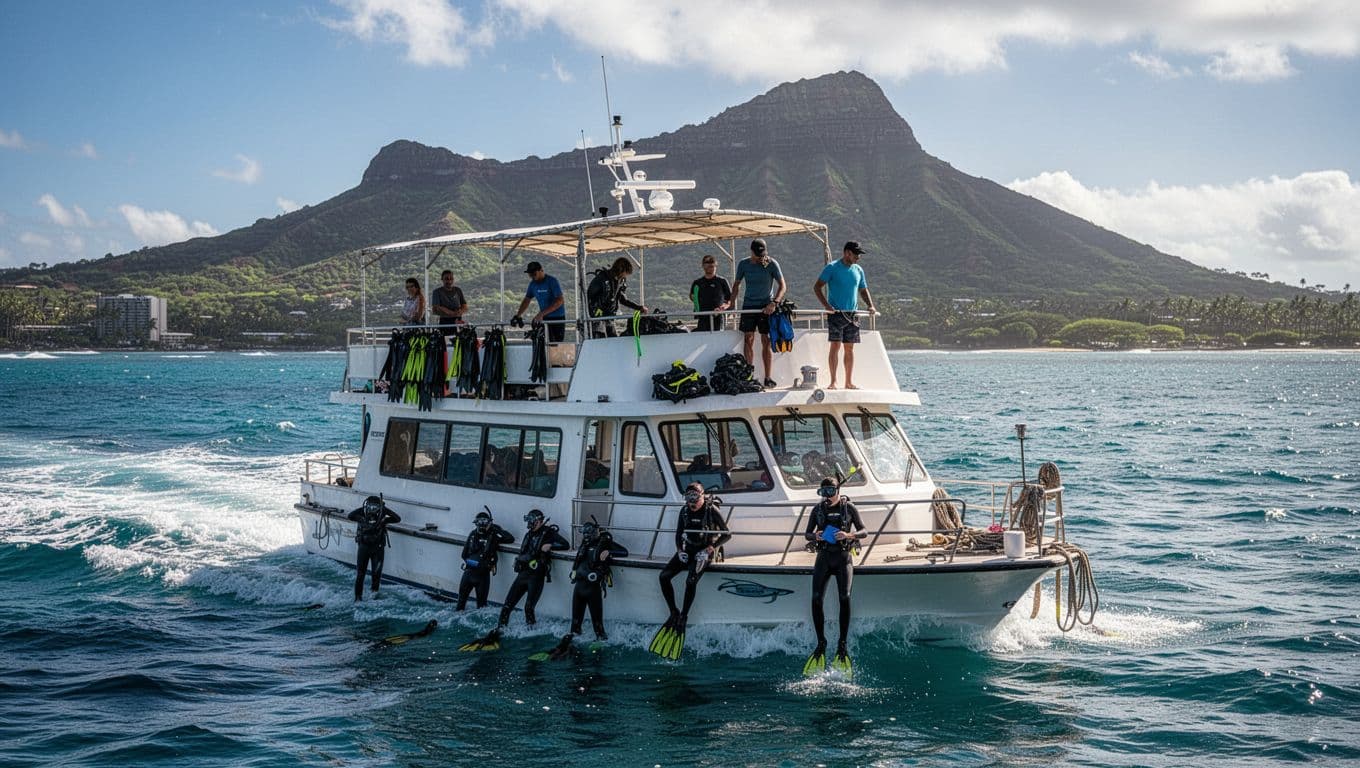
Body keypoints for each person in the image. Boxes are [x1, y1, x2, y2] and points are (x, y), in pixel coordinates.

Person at [459, 509, 571, 651]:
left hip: (536, 577)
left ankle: (531, 636)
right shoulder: (529, 534)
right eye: (528, 521)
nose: (530, 524)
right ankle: (500, 631)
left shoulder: (548, 532)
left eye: (532, 521)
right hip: (523, 574)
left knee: (528, 608)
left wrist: (550, 546)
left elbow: (565, 544)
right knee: (507, 606)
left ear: (539, 520)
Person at [649, 482, 731, 660]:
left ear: (702, 496)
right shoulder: (684, 511)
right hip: (689, 550)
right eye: (688, 498)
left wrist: (711, 549)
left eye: (695, 498)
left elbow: (727, 534)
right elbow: (679, 534)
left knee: (690, 581)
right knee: (664, 576)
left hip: (704, 552)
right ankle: (673, 612)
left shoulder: (711, 511)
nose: (692, 502)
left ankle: (684, 616)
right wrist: (680, 551)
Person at [802, 477, 866, 679]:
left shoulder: (849, 508)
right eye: (823, 492)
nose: (827, 496)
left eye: (830, 491)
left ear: (838, 490)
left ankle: (842, 643)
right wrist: (817, 536)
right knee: (816, 598)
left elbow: (864, 531)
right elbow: (807, 534)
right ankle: (821, 642)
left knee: (844, 597)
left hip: (843, 558)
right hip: (824, 558)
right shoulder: (817, 510)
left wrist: (848, 536)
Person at [540, 518, 630, 660]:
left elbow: (624, 552)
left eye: (588, 534)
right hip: (579, 588)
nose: (586, 537)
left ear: (595, 533)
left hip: (592, 590)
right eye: (584, 534)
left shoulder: (604, 542)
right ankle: (565, 649)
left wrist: (609, 551)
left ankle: (600, 645)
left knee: (598, 627)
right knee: (575, 626)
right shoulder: (585, 544)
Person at [813, 241, 877, 389]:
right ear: (847, 253)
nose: (858, 257)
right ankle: (833, 381)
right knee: (835, 346)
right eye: (856, 254)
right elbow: (817, 287)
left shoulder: (859, 270)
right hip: (836, 313)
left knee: (849, 348)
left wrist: (870, 305)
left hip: (852, 314)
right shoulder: (832, 268)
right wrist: (826, 306)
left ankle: (848, 382)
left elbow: (863, 289)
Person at [730, 238, 786, 387]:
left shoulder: (771, 263)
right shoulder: (744, 264)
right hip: (749, 305)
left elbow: (783, 285)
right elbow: (737, 285)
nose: (761, 257)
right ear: (751, 252)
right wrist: (731, 304)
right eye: (758, 254)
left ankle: (768, 377)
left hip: (766, 306)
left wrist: (774, 303)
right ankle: (749, 376)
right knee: (748, 339)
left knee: (766, 340)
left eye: (763, 254)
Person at [455, 509, 514, 611]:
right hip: (468, 574)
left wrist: (494, 528)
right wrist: (474, 563)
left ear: (489, 523)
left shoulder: (493, 534)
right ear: (476, 523)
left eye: (484, 523)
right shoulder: (473, 534)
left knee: (481, 607)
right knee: (460, 604)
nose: (481, 526)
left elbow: (510, 538)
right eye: (479, 523)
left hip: (483, 576)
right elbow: (464, 555)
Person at [347, 495, 401, 601]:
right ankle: (358, 598)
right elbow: (350, 515)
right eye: (370, 507)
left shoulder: (382, 516)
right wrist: (363, 510)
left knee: (376, 574)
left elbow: (397, 519)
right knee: (360, 573)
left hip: (377, 548)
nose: (372, 510)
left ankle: (373, 596)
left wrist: (384, 510)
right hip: (364, 547)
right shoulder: (362, 514)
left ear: (379, 507)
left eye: (375, 507)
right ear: (366, 506)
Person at [586, 256, 646, 337]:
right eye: (625, 274)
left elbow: (622, 299)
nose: (625, 277)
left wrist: (639, 307)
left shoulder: (619, 281)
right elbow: (589, 296)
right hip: (597, 316)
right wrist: (594, 311)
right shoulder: (601, 279)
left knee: (613, 338)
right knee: (600, 339)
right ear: (621, 270)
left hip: (609, 316)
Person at [512, 261, 567, 342]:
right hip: (544, 318)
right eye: (530, 275)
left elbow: (560, 301)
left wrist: (541, 314)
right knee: (541, 343)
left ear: (541, 270)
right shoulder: (532, 284)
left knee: (555, 345)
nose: (532, 277)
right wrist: (518, 315)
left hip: (557, 318)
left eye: (534, 274)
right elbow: (527, 300)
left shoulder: (552, 281)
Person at [690, 254, 731, 332]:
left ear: (715, 266)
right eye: (707, 265)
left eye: (713, 265)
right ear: (703, 266)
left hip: (718, 316)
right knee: (702, 339)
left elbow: (729, 300)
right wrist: (698, 307)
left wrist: (722, 308)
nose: (710, 267)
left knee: (717, 340)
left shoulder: (722, 281)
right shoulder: (697, 283)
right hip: (703, 317)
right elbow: (692, 297)